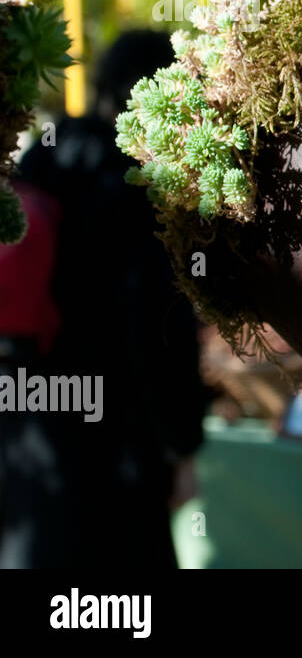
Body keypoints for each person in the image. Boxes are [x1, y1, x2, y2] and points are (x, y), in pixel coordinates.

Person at [9, 30, 210, 567]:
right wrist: (182, 445)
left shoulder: (41, 162)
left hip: (27, 430)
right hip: (119, 447)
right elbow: (157, 325)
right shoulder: (141, 187)